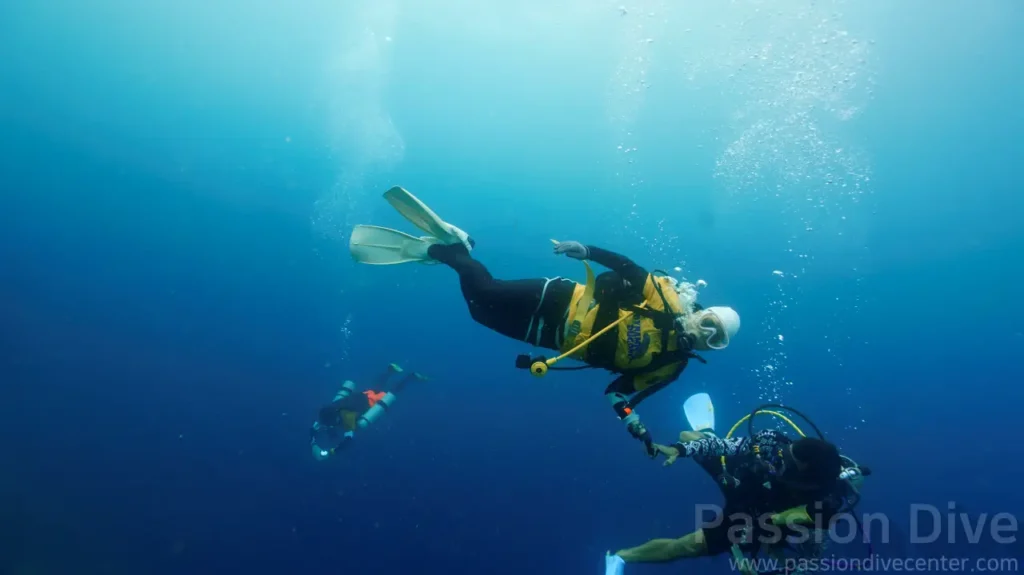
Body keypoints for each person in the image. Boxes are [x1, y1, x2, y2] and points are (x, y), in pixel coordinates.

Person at [349, 186, 741, 455]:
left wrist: (630, 420)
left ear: (715, 348)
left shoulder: (669, 369)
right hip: (559, 298)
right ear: (701, 312)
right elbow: (627, 267)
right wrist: (586, 250)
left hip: (550, 338)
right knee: (487, 292)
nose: (704, 333)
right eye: (708, 322)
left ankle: (457, 253)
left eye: (714, 338)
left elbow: (617, 392)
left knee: (477, 311)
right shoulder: (669, 301)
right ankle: (447, 248)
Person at [604, 396, 871, 575]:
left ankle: (620, 557)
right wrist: (680, 450)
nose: (778, 457)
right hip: (745, 481)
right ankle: (701, 435)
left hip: (757, 516)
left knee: (687, 546)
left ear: (807, 476)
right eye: (784, 452)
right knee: (691, 439)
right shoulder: (771, 444)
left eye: (787, 461)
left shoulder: (829, 501)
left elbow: (804, 558)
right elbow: (726, 447)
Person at [309, 363, 426, 461]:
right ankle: (390, 371)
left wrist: (332, 452)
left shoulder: (346, 418)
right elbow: (317, 426)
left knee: (393, 391)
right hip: (363, 395)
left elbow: (348, 440)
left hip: (371, 403)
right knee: (376, 387)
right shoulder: (331, 409)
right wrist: (314, 439)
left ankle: (411, 377)